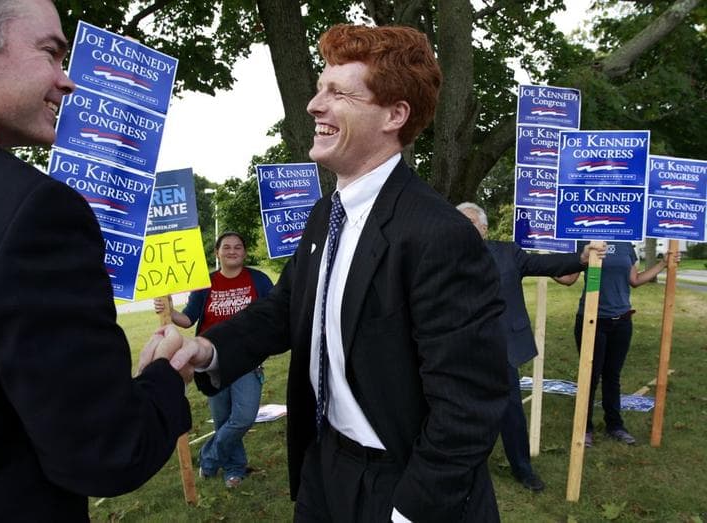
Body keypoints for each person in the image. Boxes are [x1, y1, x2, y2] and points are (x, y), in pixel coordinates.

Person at [158, 24, 510, 522]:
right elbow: (287, 310)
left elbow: (471, 404)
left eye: (338, 92)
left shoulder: (439, 236)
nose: (314, 105)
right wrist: (208, 348)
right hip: (324, 466)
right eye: (320, 88)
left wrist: (410, 510)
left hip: (400, 483)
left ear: (394, 115)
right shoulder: (325, 214)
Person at [0, 1, 192, 519]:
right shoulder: (31, 211)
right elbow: (107, 452)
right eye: (51, 53)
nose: (67, 81)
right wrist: (166, 376)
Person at [457, 203, 605, 493]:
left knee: (510, 410)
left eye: (469, 222)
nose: (461, 228)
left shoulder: (508, 253)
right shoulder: (443, 255)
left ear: (484, 228)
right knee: (462, 411)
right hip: (461, 347)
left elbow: (545, 265)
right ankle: (465, 466)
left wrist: (582, 258)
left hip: (501, 348)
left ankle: (522, 469)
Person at [154, 231, 273, 488]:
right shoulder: (206, 283)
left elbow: (274, 315)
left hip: (246, 360)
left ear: (245, 252)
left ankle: (208, 458)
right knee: (222, 419)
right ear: (217, 252)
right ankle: (234, 469)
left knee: (243, 417)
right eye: (226, 247)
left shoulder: (259, 280)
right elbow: (188, 319)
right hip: (210, 362)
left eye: (238, 247)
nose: (232, 251)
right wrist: (170, 311)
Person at [555, 242, 679, 448]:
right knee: (590, 376)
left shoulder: (626, 245)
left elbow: (634, 280)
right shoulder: (587, 242)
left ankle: (615, 426)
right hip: (591, 320)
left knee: (612, 376)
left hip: (622, 321)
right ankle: (584, 428)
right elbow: (569, 278)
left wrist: (663, 264)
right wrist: (538, 266)